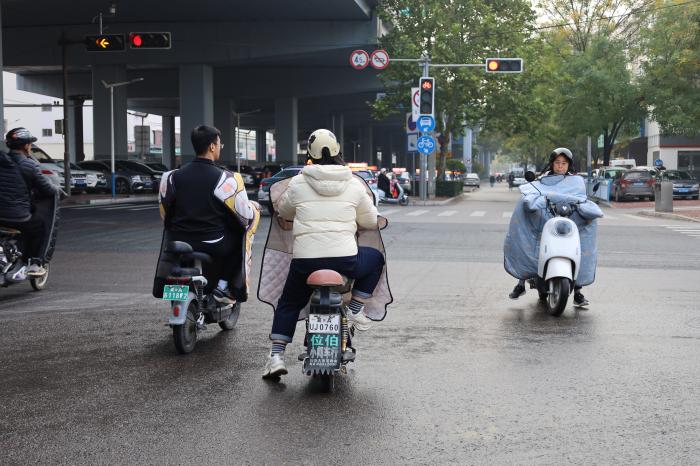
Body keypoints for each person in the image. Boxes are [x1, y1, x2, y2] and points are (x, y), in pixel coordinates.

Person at [262, 129, 384, 379]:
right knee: (375, 259)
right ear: (338, 151)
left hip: (305, 262)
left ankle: (276, 357)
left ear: (310, 154)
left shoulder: (298, 182)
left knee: (289, 303)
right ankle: (355, 309)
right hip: (346, 261)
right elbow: (370, 220)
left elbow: (284, 212)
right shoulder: (353, 183)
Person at [159, 125, 259, 305]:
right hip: (213, 242)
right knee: (239, 240)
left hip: (178, 241)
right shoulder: (226, 178)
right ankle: (223, 286)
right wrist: (254, 208)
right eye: (220, 144)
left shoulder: (171, 177)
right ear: (212, 146)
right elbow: (245, 216)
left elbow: (165, 214)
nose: (220, 147)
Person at [508, 147, 589, 307]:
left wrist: (585, 208)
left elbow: (582, 198)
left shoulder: (576, 181)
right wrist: (532, 202)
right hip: (545, 219)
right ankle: (521, 283)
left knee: (582, 244)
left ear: (569, 165)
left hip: (569, 220)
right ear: (552, 164)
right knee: (530, 242)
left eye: (564, 163)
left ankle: (578, 291)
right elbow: (531, 193)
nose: (560, 166)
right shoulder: (543, 180)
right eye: (557, 162)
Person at [0, 128, 58, 275]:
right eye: (30, 144)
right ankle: (33, 262)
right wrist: (58, 190)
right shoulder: (29, 165)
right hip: (17, 216)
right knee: (39, 227)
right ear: (26, 146)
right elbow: (47, 189)